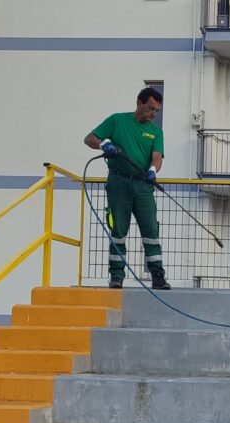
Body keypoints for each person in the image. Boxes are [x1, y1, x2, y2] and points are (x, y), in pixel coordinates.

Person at [84, 87, 170, 290]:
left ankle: (158, 276)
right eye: (150, 109)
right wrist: (104, 144)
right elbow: (89, 139)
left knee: (150, 230)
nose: (153, 114)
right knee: (119, 230)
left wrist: (152, 170)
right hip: (118, 183)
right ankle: (116, 276)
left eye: (156, 111)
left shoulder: (156, 131)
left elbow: (157, 156)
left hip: (142, 185)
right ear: (139, 103)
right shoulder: (117, 121)